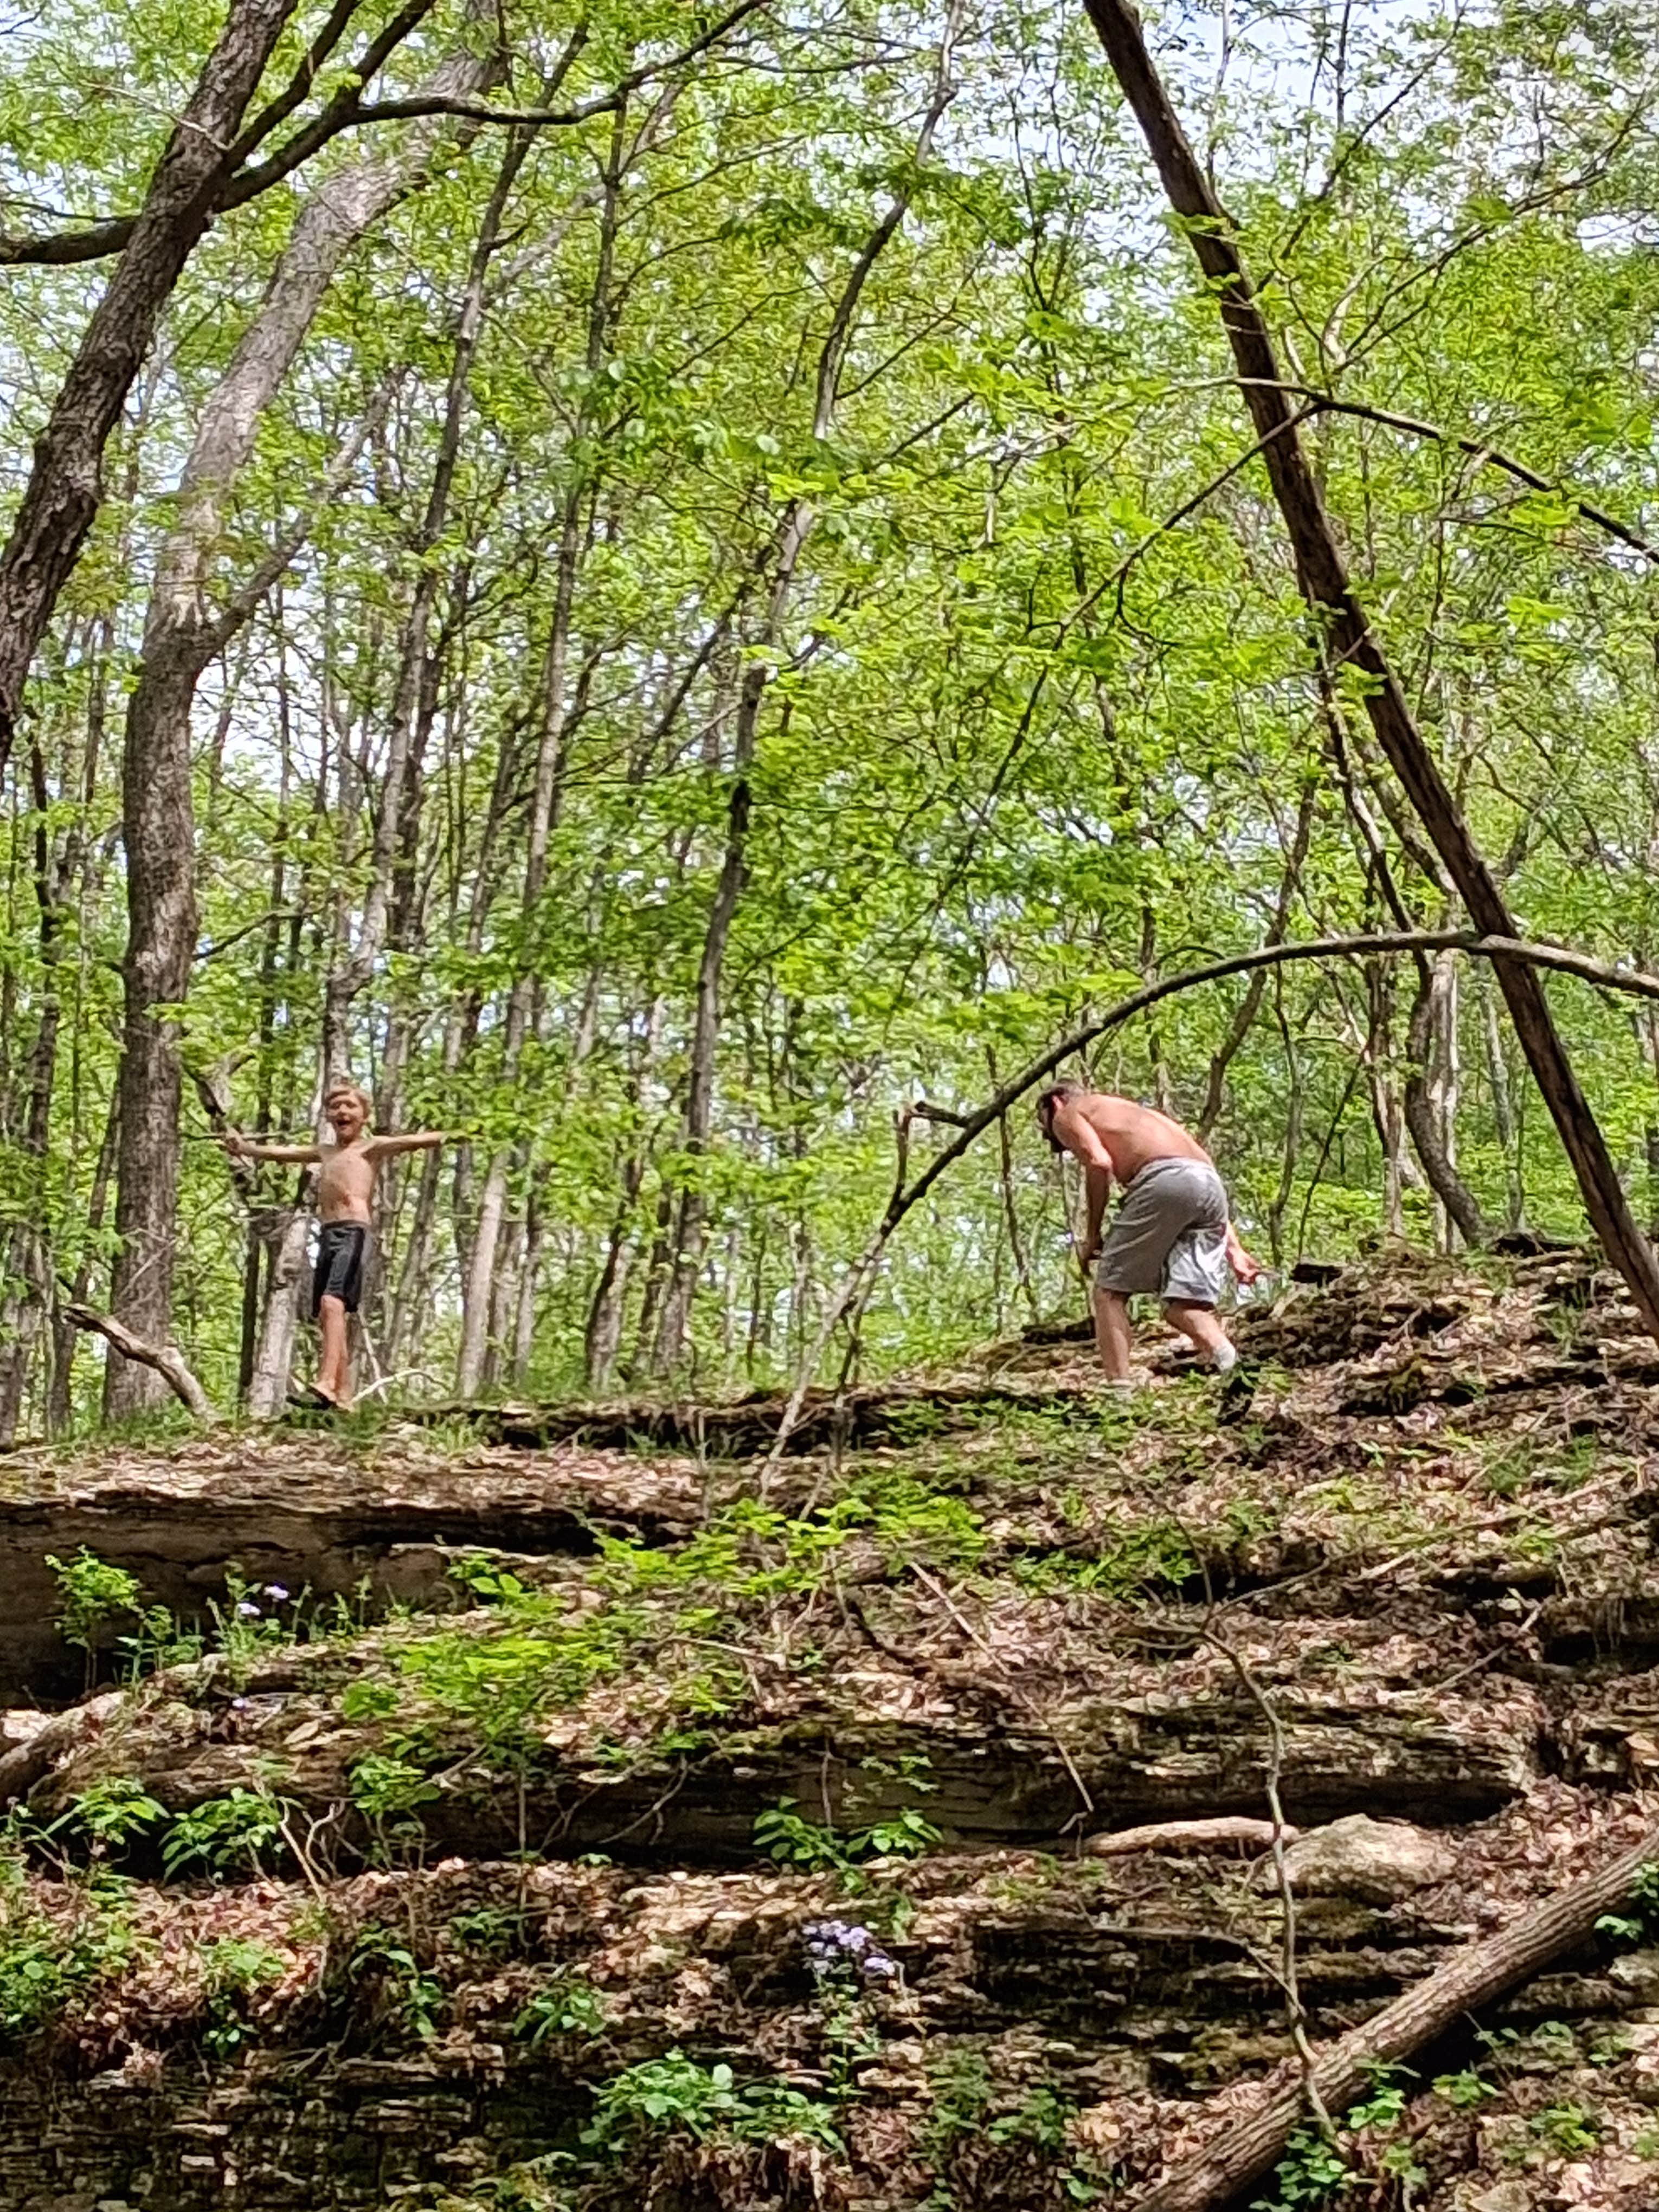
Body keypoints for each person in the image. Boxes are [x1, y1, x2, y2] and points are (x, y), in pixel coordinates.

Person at [226, 1082, 451, 1410]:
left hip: (353, 1231)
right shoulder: (324, 1153)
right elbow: (283, 1153)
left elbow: (413, 1141)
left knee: (334, 1303)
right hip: (327, 1234)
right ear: (328, 1116)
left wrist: (460, 1134)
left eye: (350, 1106)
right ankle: (344, 1398)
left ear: (364, 1115)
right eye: (335, 1107)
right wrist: (245, 1149)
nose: (343, 1112)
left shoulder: (370, 1148)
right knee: (329, 1313)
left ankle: (327, 1383)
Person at [1036, 1081, 1260, 1386]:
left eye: (1043, 1123)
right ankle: (1231, 1363)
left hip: (1165, 1181)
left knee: (1109, 1293)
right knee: (1183, 1306)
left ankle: (1119, 1394)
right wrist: (1234, 1249)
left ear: (1055, 1103)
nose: (1047, 1133)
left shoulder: (1069, 1113)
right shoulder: (1137, 1115)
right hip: (1210, 1188)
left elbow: (1099, 1163)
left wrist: (1092, 1236)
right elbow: (1198, 1176)